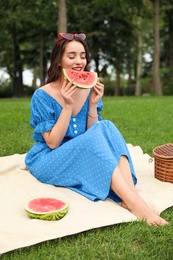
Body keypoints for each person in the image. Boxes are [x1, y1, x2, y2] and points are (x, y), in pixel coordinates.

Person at [25, 33, 168, 226]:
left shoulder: (88, 87)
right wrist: (67, 106)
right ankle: (136, 205)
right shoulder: (42, 95)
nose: (79, 62)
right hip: (50, 158)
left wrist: (92, 105)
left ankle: (131, 197)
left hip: (82, 149)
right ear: (58, 60)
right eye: (72, 56)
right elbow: (52, 143)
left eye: (83, 56)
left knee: (106, 125)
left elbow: (93, 134)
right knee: (91, 139)